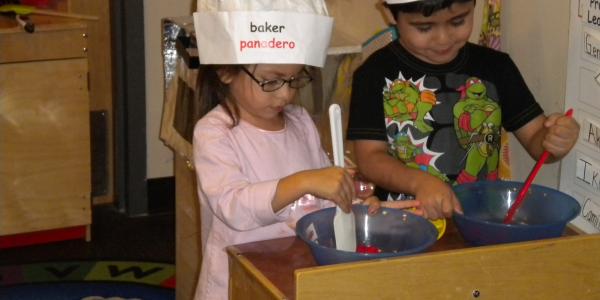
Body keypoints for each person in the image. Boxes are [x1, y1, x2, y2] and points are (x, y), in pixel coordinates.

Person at [191, 1, 418, 299]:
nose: (286, 93)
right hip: (240, 281)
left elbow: (320, 202)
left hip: (298, 270)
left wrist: (356, 200)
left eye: (294, 79)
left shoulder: (299, 122)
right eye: (271, 81)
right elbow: (233, 207)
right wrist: (305, 181)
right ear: (225, 70)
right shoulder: (214, 132)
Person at [347, 0, 580, 221]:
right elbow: (370, 158)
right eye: (425, 27)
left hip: (482, 220)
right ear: (390, 14)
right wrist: (419, 183)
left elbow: (538, 141)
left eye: (458, 22)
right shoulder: (373, 74)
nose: (443, 38)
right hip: (404, 225)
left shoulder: (496, 67)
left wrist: (555, 140)